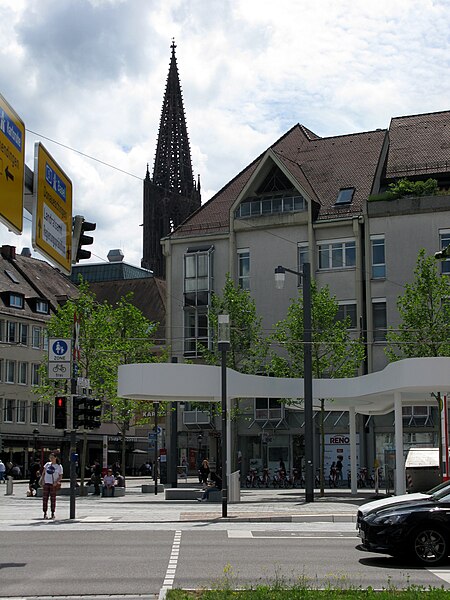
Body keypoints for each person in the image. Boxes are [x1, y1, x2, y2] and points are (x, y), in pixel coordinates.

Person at [41, 452, 63, 519]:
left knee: (53, 499)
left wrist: (56, 482)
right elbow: (44, 473)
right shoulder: (47, 464)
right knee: (45, 498)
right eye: (50, 458)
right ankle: (45, 513)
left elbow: (60, 476)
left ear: (56, 458)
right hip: (46, 483)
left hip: (53, 484)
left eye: (52, 457)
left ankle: (53, 513)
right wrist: (42, 480)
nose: (51, 459)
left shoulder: (59, 466)